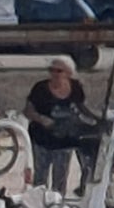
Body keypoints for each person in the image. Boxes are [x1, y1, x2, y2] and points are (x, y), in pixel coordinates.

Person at [24, 60, 99, 195]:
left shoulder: (75, 87)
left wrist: (95, 120)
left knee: (61, 175)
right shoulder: (40, 88)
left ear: (68, 73)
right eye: (51, 70)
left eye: (59, 71)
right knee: (40, 175)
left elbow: (81, 107)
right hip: (42, 137)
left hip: (65, 138)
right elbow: (28, 110)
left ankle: (58, 202)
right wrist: (41, 119)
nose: (54, 74)